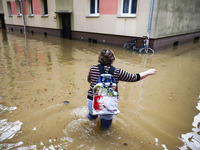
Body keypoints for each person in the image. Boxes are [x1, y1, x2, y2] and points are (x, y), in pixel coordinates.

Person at [87, 49, 157, 128]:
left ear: (99, 57)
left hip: (92, 100)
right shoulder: (117, 71)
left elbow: (89, 80)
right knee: (105, 129)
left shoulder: (93, 69)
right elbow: (133, 78)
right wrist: (148, 72)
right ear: (112, 59)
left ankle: (91, 122)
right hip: (108, 104)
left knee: (91, 120)